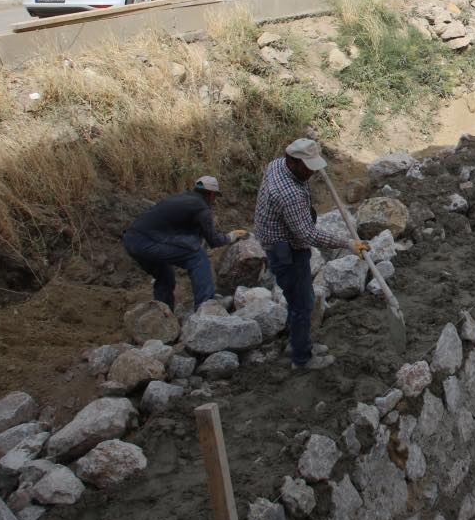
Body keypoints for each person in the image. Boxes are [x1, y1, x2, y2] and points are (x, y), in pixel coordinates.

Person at [254, 138, 367, 372]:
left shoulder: (277, 165)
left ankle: (296, 341)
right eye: (308, 167)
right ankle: (302, 358)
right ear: (293, 162)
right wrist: (348, 244)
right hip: (285, 249)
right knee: (303, 303)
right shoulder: (289, 194)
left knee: (296, 299)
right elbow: (307, 235)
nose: (313, 172)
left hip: (277, 237)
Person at [123, 176, 244, 311]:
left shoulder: (181, 199)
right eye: (215, 196)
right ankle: (206, 306)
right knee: (197, 256)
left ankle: (163, 314)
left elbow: (175, 230)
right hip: (148, 243)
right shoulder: (202, 208)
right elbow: (214, 241)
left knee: (165, 276)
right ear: (211, 194)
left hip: (132, 240)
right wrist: (231, 236)